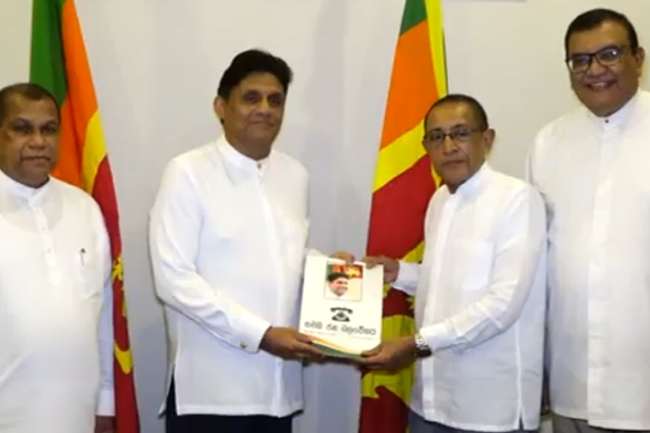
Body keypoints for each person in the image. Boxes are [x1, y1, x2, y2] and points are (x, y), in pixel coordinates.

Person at [149, 49, 349, 433]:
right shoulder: (187, 172)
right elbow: (173, 280)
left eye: (275, 100)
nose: (265, 109)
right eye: (251, 98)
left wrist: (330, 271)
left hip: (278, 392)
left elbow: (285, 255)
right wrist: (261, 335)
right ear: (221, 107)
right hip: (211, 394)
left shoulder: (295, 175)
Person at [358, 94, 547, 433]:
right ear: (426, 147)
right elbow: (445, 279)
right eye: (437, 137)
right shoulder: (440, 200)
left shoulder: (516, 199)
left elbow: (502, 305)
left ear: (487, 139)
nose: (448, 146)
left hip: (489, 408)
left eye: (460, 133)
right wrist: (398, 272)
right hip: (431, 400)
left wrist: (417, 343)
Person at [527, 8, 650, 433]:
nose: (594, 70)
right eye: (580, 60)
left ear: (639, 59)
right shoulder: (549, 142)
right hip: (570, 379)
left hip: (642, 379)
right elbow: (535, 261)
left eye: (609, 54)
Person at [0, 82, 115, 432]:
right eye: (22, 129)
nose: (38, 141)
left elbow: (102, 312)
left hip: (77, 415)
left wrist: (105, 402)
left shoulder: (84, 208)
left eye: (49, 129)